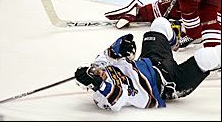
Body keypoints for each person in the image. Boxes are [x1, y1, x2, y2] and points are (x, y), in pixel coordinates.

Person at [74, 17, 221, 111]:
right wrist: (100, 84)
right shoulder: (101, 98)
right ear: (91, 86)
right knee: (205, 57)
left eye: (94, 70)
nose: (98, 71)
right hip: (168, 84)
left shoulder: (99, 66)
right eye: (95, 75)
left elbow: (110, 52)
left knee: (160, 23)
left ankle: (173, 42)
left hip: (152, 60)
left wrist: (122, 46)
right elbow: (118, 98)